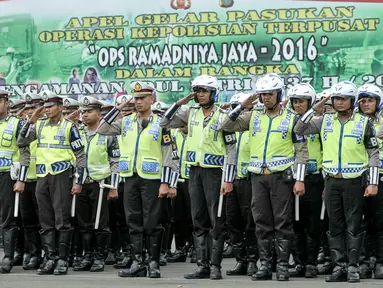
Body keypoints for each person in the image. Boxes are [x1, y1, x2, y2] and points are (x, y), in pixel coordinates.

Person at [222, 73, 308, 282]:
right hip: (257, 177)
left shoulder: (292, 118)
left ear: (279, 95)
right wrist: (243, 106)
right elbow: (225, 125)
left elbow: (302, 151)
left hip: (281, 177)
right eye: (262, 94)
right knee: (261, 222)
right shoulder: (253, 116)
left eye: (270, 94)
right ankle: (265, 265)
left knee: (282, 222)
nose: (266, 98)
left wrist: (299, 179)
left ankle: (283, 266)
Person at [294, 81, 380, 283]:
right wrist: (314, 108)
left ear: (352, 101)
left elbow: (373, 153)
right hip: (331, 181)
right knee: (334, 226)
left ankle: (353, 267)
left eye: (344, 99)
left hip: (354, 182)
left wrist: (373, 182)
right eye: (336, 99)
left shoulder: (363, 123)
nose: (339, 103)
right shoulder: (324, 120)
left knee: (354, 225)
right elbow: (300, 128)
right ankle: (338, 266)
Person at [98, 81, 179, 278]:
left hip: (152, 178)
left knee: (152, 222)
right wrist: (118, 108)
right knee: (133, 221)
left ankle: (153, 262)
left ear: (152, 99)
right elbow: (101, 128)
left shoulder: (161, 122)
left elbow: (170, 155)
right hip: (130, 178)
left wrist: (167, 183)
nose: (138, 101)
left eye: (143, 98)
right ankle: (137, 262)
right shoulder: (125, 121)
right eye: (136, 98)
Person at [160, 75, 237, 280]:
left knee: (216, 219)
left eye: (204, 91)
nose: (200, 94)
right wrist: (179, 103)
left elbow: (231, 149)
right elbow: (163, 121)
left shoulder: (223, 116)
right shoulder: (189, 113)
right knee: (198, 218)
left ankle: (215, 267)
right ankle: (202, 266)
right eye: (197, 91)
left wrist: (228, 179)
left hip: (215, 173)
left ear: (214, 92)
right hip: (194, 171)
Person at [17, 90, 86, 276]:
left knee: (61, 219)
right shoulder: (39, 126)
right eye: (44, 106)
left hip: (61, 175)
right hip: (42, 176)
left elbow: (80, 156)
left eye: (50, 106)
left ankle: (62, 259)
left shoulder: (69, 127)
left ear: (60, 107)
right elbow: (21, 141)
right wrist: (31, 120)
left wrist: (78, 181)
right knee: (45, 218)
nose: (46, 110)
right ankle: (50, 257)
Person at [72, 96, 119, 272]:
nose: (84, 115)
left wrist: (113, 186)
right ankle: (88, 255)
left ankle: (100, 256)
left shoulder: (108, 134)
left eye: (89, 111)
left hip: (101, 184)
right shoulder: (78, 133)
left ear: (99, 114)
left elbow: (115, 161)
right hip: (82, 183)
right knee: (83, 223)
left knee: (100, 222)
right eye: (83, 112)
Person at [286, 84, 324, 278]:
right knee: (294, 223)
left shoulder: (318, 121)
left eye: (301, 101)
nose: (297, 104)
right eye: (294, 101)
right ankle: (299, 261)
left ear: (310, 102)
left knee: (313, 224)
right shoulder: (287, 120)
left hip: (315, 178)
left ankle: (311, 263)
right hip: (291, 178)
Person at [225, 93, 259, 277]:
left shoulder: (253, 126)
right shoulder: (230, 131)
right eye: (234, 107)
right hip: (232, 179)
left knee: (250, 222)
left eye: (242, 107)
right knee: (233, 222)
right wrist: (227, 180)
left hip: (249, 180)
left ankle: (253, 260)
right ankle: (241, 261)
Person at [0, 88, 30, 274]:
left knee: (7, 218)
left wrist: (21, 179)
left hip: (7, 176)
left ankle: (7, 258)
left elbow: (25, 153)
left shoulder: (17, 124)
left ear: (6, 102)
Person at [358, 84, 383, 279]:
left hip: (380, 177)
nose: (366, 104)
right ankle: (364, 261)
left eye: (370, 100)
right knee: (361, 222)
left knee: (380, 222)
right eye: (363, 100)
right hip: (359, 177)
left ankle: (381, 262)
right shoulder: (354, 121)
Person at [20, 93, 45, 270]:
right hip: (25, 179)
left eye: (33, 107)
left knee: (44, 221)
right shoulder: (25, 127)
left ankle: (47, 254)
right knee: (28, 221)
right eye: (28, 108)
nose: (30, 111)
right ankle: (34, 254)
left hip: (44, 180)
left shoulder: (45, 126)